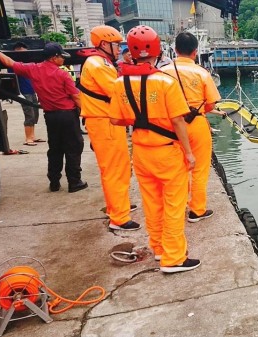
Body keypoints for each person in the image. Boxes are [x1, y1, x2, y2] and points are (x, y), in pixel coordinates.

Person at [109, 25, 200, 273]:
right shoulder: (165, 82)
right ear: (157, 49)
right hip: (167, 152)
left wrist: (138, 118)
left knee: (152, 204)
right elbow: (178, 120)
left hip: (140, 151)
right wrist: (189, 153)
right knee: (174, 205)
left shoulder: (120, 83)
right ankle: (174, 258)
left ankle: (158, 249)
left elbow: (115, 119)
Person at [0, 42, 87, 193]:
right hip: (68, 116)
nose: (63, 60)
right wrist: (86, 114)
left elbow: (9, 62)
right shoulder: (62, 74)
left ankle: (54, 182)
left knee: (55, 149)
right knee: (73, 147)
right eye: (61, 57)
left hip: (51, 117)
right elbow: (76, 97)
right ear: (54, 58)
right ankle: (74, 182)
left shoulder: (33, 69)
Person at [79, 25, 140, 231]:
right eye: (117, 45)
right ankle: (120, 218)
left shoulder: (98, 62)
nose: (119, 48)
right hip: (104, 121)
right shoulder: (99, 65)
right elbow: (118, 90)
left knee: (114, 168)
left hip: (104, 120)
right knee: (116, 168)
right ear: (104, 44)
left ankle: (117, 206)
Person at [160, 32, 223, 223]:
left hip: (168, 126)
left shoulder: (162, 73)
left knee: (175, 170)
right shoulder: (202, 73)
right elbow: (211, 105)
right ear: (195, 52)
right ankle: (197, 210)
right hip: (196, 125)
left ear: (175, 50)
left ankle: (175, 208)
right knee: (200, 170)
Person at [11, 42, 44, 146]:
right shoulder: (14, 65)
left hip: (32, 90)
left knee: (35, 113)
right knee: (29, 114)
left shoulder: (29, 63)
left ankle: (33, 136)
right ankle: (28, 138)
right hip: (24, 92)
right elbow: (12, 79)